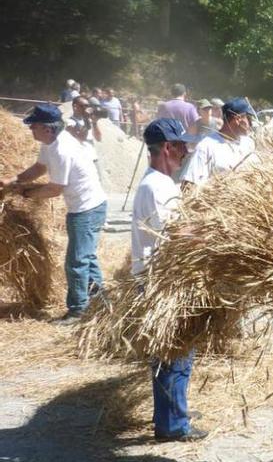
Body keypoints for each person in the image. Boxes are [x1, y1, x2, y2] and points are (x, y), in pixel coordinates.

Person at [130, 118, 206, 442]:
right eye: (180, 146)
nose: (186, 151)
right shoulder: (155, 186)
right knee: (173, 354)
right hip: (161, 282)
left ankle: (173, 413)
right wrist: (213, 231)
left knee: (176, 353)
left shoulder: (161, 181)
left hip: (165, 278)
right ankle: (173, 426)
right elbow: (176, 234)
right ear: (166, 148)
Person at [0, 104, 107, 323]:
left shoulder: (61, 150)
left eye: (34, 127)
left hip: (86, 209)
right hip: (91, 205)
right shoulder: (51, 143)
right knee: (87, 256)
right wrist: (14, 180)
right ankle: (100, 301)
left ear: (47, 129)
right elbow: (40, 168)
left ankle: (78, 310)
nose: (31, 131)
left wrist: (26, 194)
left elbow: (55, 189)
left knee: (76, 261)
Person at [179, 98, 257, 187]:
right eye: (249, 118)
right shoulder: (207, 146)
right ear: (238, 119)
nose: (251, 124)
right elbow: (189, 185)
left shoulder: (249, 144)